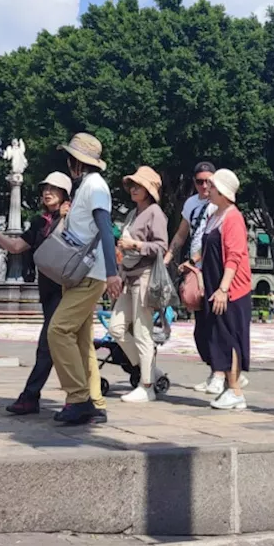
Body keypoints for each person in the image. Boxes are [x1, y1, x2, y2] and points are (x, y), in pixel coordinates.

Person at [0, 172, 75, 415]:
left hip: (68, 289)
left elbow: (71, 245)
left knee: (50, 344)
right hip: (48, 290)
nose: (47, 192)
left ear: (65, 195)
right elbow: (17, 247)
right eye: (45, 188)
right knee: (59, 346)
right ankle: (78, 398)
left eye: (54, 188)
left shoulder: (74, 218)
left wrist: (65, 218)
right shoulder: (40, 222)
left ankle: (35, 396)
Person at [46, 133, 118, 426]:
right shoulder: (88, 186)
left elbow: (105, 227)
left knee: (58, 331)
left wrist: (112, 272)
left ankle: (78, 399)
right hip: (82, 273)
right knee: (81, 340)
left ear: (75, 162)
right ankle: (94, 401)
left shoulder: (95, 187)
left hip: (89, 273)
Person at [109, 166, 169, 403]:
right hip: (128, 276)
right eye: (132, 184)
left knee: (143, 332)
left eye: (139, 185)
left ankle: (147, 386)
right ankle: (151, 371)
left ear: (149, 190)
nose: (134, 188)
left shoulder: (155, 213)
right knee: (116, 327)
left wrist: (135, 245)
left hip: (144, 276)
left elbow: (161, 247)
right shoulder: (133, 213)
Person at [166, 161, 222, 392]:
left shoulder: (220, 204)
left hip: (212, 265)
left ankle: (221, 373)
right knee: (200, 325)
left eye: (209, 181)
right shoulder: (191, 203)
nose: (205, 186)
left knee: (214, 321)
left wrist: (195, 260)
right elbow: (182, 232)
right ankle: (214, 369)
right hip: (194, 267)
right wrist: (169, 256)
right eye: (200, 182)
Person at [200, 169, 253, 411]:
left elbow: (234, 256)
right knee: (217, 336)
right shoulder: (214, 215)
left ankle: (235, 390)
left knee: (230, 337)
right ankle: (227, 387)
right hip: (214, 285)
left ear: (222, 191)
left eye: (211, 186)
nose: (206, 189)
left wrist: (223, 289)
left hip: (231, 289)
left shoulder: (233, 217)